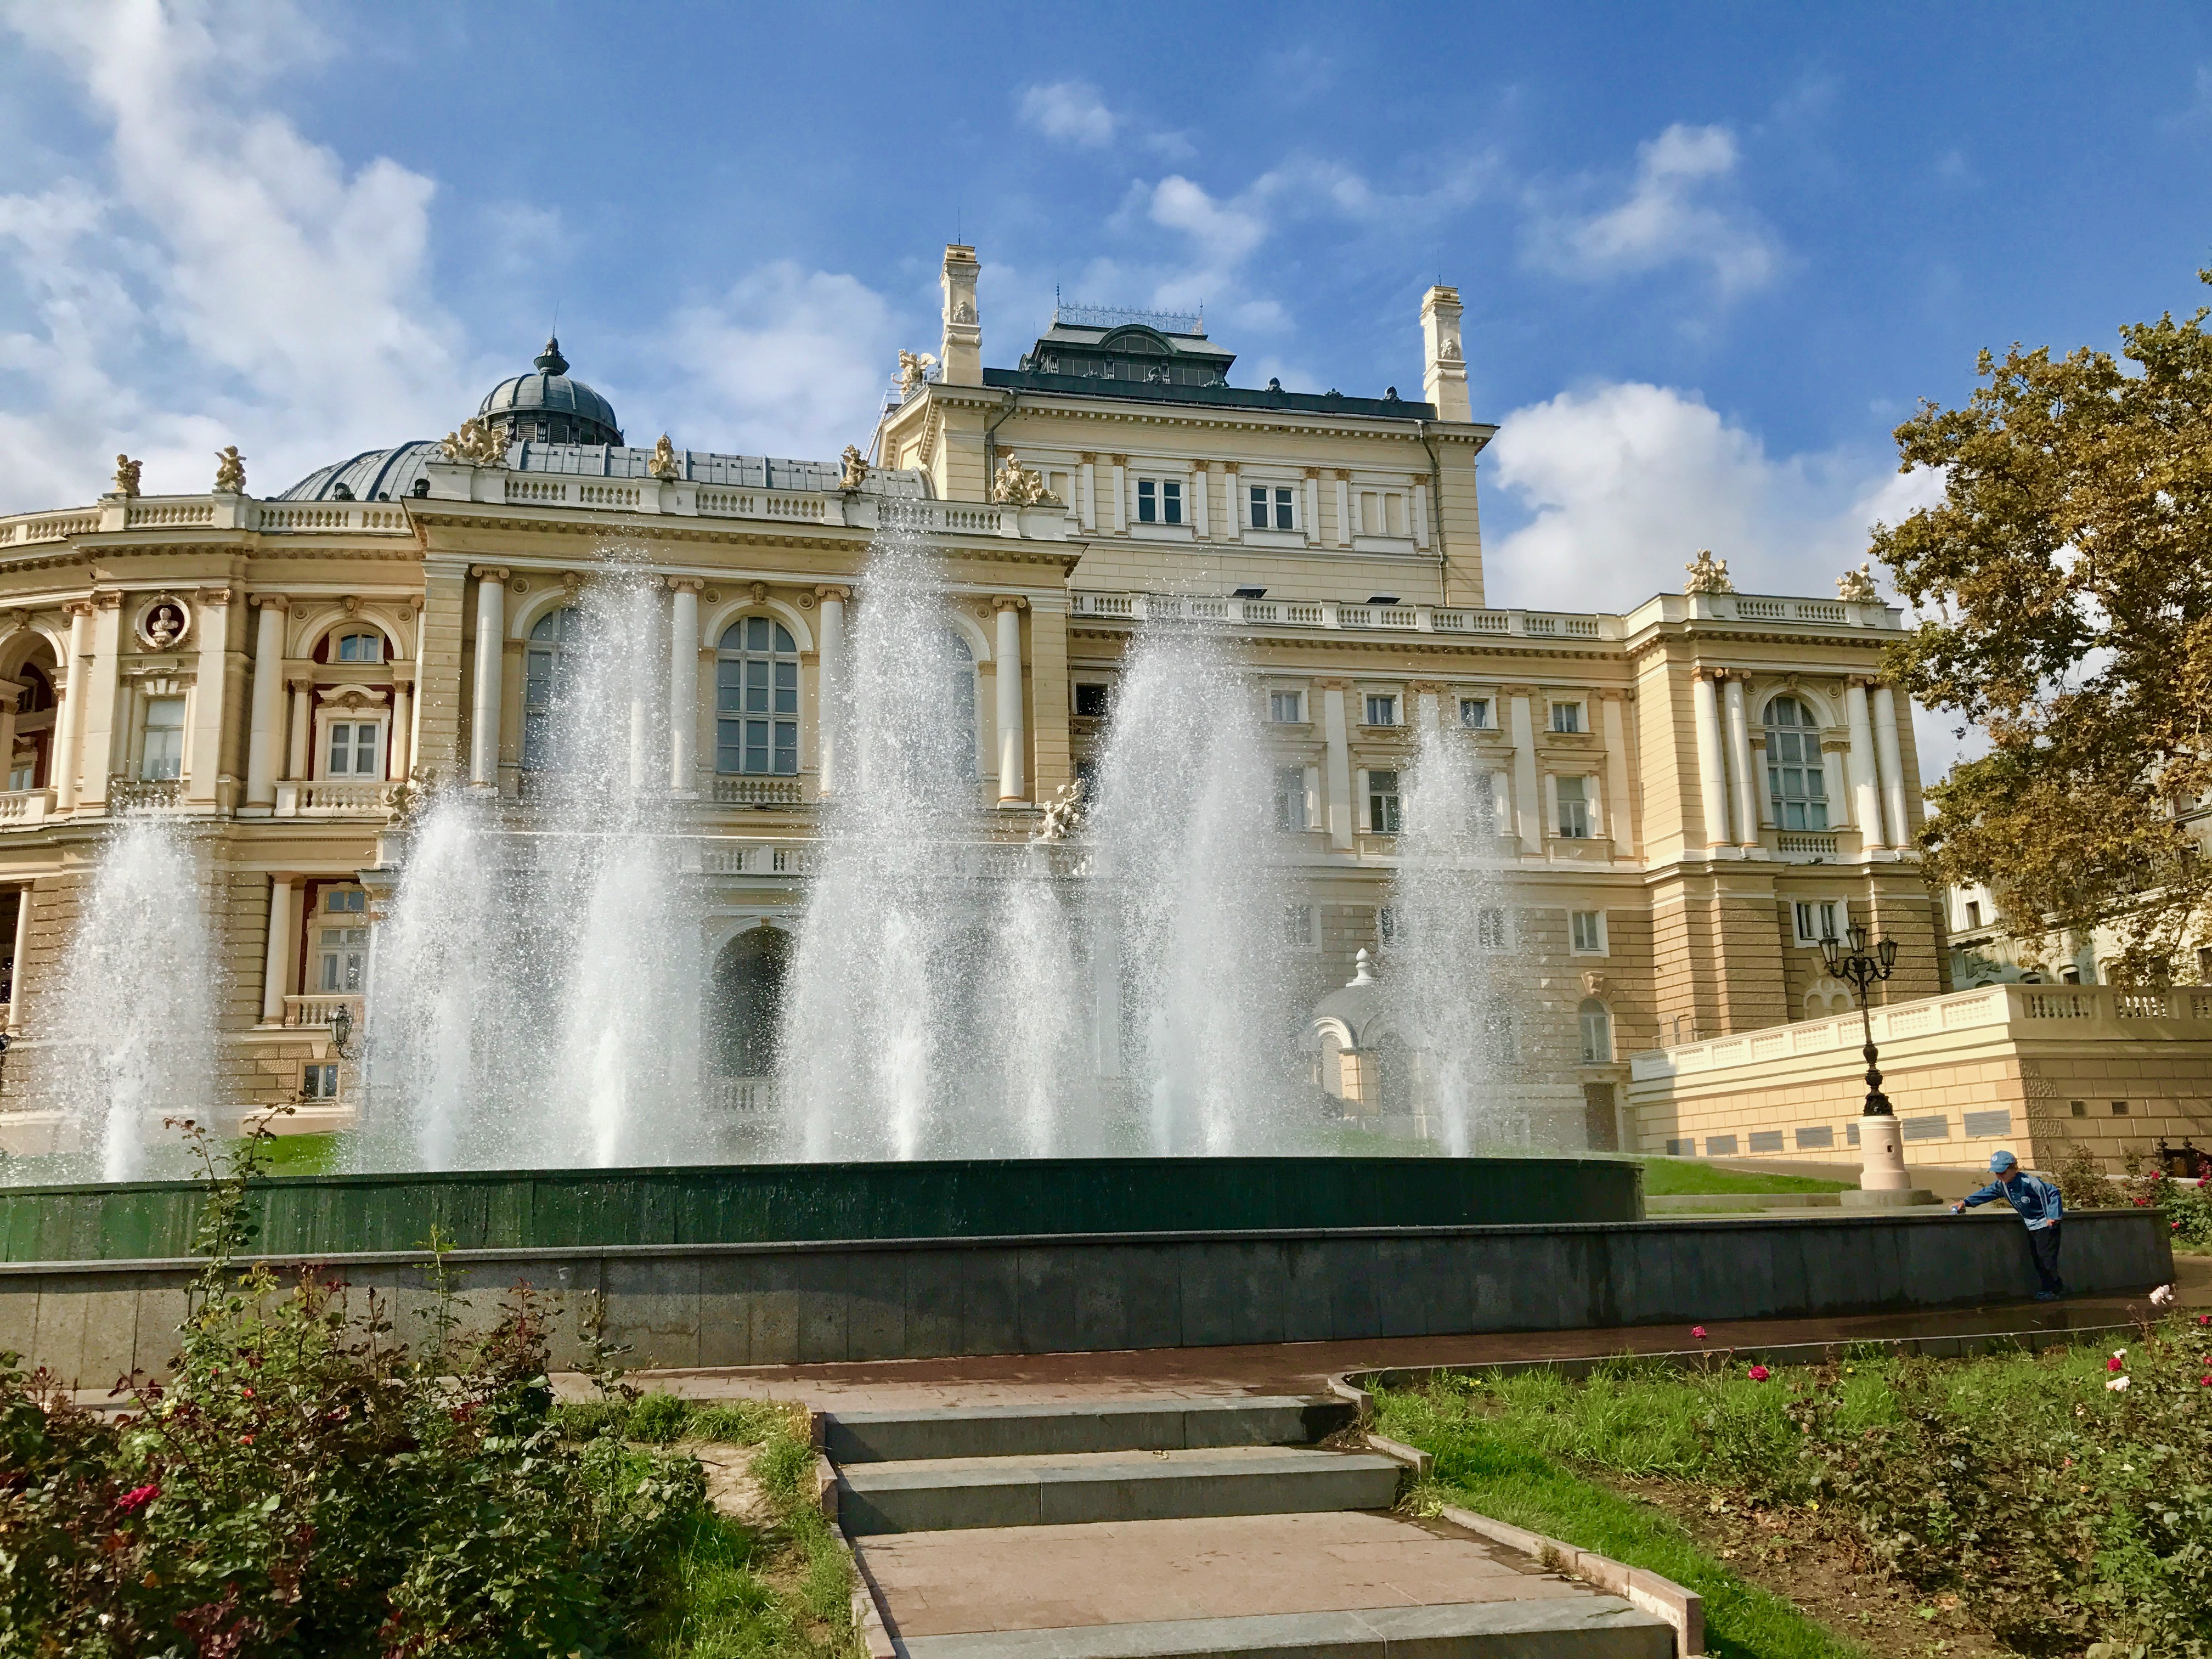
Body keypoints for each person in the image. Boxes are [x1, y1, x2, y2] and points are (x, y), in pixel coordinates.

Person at [1953, 1149, 2064, 1299]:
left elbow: (2053, 1192)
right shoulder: (2002, 1185)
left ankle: (2053, 1290)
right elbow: (1986, 1193)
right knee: (2038, 1259)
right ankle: (2050, 1288)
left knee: (2046, 1259)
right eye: (1997, 1173)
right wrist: (1965, 1202)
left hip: (2046, 1225)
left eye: (2003, 1172)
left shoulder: (2029, 1182)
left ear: (2014, 1169)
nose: (2000, 1176)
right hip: (2031, 1225)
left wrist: (2053, 1216)